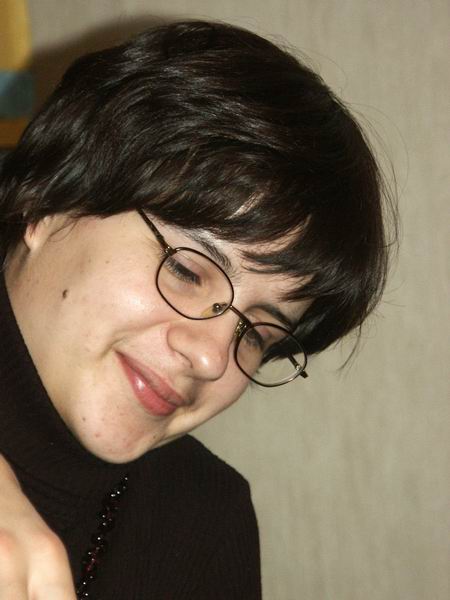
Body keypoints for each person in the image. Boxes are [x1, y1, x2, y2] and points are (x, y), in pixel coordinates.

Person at [0, 20, 394, 599]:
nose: (212, 358)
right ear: (49, 201)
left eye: (257, 333)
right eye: (187, 271)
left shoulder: (205, 520)